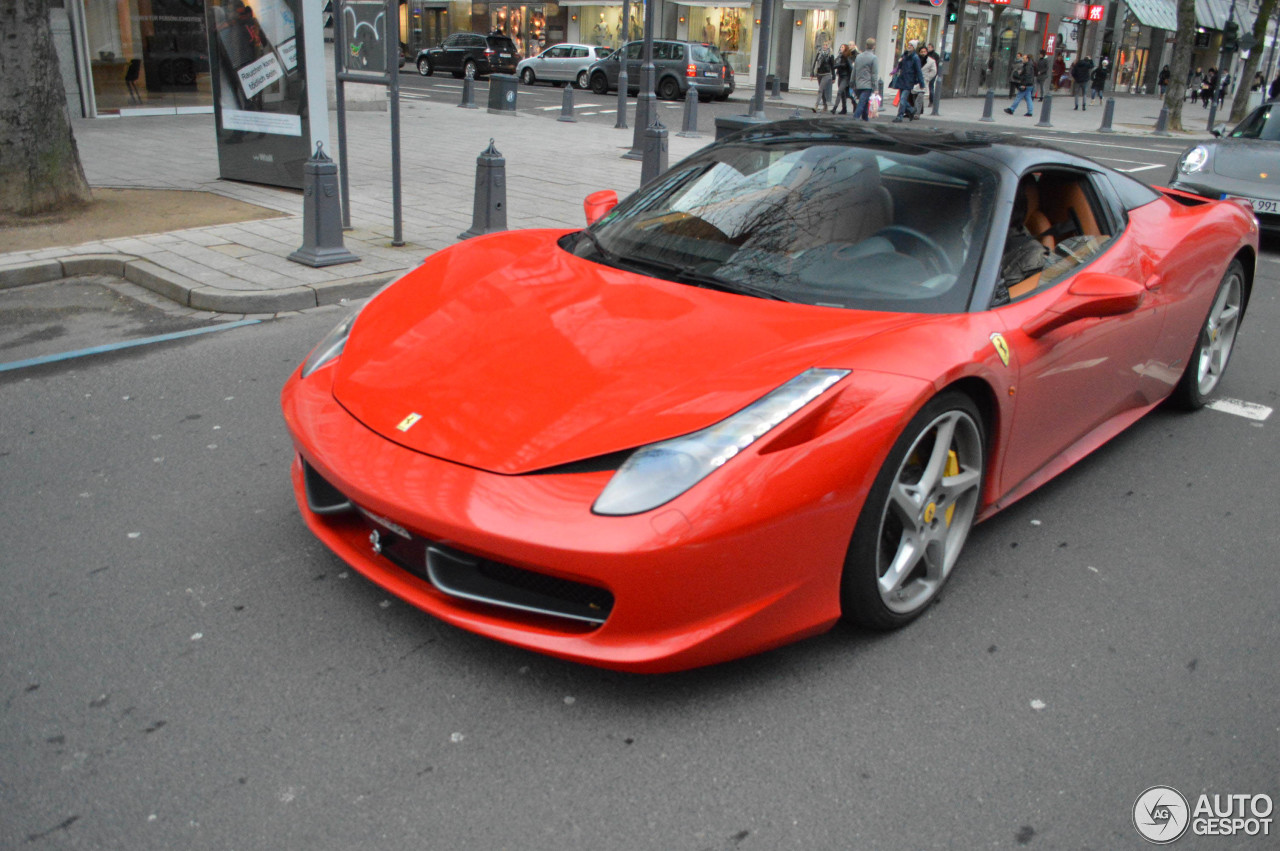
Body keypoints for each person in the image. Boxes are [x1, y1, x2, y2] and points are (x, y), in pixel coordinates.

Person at [890, 39, 923, 122]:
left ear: (914, 47)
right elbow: (899, 67)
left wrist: (921, 83)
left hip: (909, 81)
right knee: (902, 99)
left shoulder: (915, 58)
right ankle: (911, 110)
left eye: (911, 45)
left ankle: (899, 116)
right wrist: (895, 70)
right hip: (902, 80)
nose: (909, 46)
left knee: (903, 99)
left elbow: (918, 71)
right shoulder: (904, 56)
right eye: (909, 44)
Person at [852, 37, 878, 121]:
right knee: (862, 102)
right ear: (874, 47)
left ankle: (865, 118)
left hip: (858, 83)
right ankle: (855, 118)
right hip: (867, 84)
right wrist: (876, 87)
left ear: (866, 45)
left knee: (864, 101)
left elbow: (854, 70)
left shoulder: (858, 57)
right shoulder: (874, 58)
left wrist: (852, 82)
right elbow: (874, 74)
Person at [1004, 52, 1035, 117]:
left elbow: (1027, 76)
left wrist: (1024, 84)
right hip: (1029, 85)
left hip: (1026, 84)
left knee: (1019, 97)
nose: (1022, 60)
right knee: (1028, 98)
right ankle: (1030, 112)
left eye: (1024, 58)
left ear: (1027, 59)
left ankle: (1012, 109)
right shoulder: (1029, 65)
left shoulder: (1028, 66)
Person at [811, 45, 834, 112]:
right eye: (824, 45)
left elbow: (832, 66)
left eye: (826, 45)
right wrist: (812, 73)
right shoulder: (819, 53)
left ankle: (816, 105)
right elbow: (815, 62)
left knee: (820, 89)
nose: (824, 46)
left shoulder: (830, 54)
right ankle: (825, 105)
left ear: (828, 46)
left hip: (826, 74)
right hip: (819, 74)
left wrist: (834, 76)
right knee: (822, 90)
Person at [833, 42, 855, 114]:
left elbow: (851, 68)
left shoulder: (847, 57)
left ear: (845, 49)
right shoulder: (839, 56)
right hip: (840, 76)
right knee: (844, 93)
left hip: (846, 77)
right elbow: (835, 65)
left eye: (842, 47)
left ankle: (834, 108)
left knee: (840, 91)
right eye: (840, 47)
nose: (841, 48)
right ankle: (845, 108)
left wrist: (851, 78)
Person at [917, 44, 937, 113]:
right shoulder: (916, 59)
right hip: (915, 81)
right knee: (914, 96)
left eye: (924, 51)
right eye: (921, 52)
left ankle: (917, 112)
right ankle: (919, 110)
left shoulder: (931, 61)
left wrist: (927, 78)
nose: (923, 53)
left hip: (924, 80)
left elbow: (934, 71)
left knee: (920, 95)